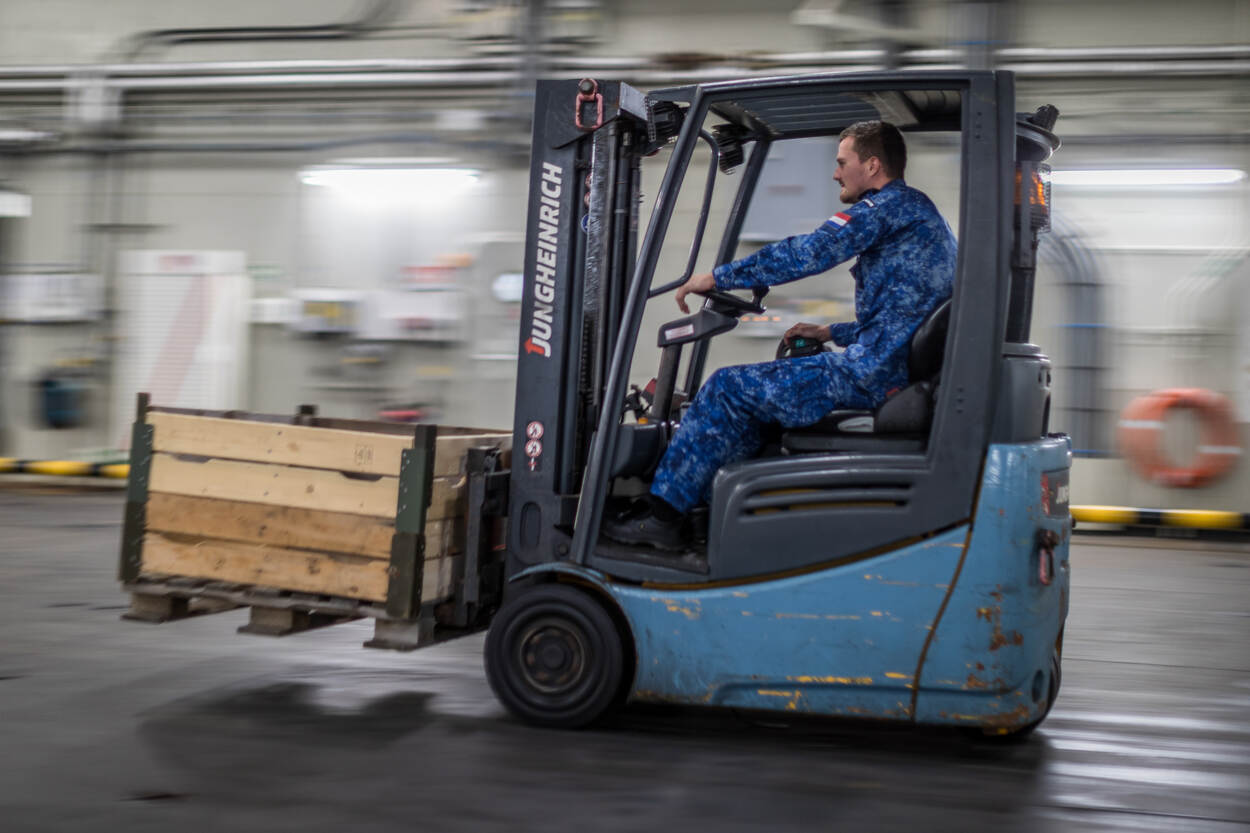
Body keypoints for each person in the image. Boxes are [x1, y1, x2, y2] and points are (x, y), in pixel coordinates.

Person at [602, 120, 958, 551]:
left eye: (842, 162)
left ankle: (662, 518)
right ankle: (711, 515)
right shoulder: (917, 214)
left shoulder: (882, 210)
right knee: (755, 398)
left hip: (872, 374)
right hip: (887, 365)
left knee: (725, 388)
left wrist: (717, 278)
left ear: (873, 165)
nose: (835, 173)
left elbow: (808, 252)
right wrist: (831, 330)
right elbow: (900, 316)